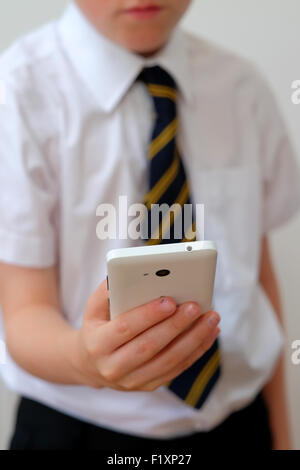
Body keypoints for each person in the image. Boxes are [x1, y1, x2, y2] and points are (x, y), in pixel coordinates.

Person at [0, 0, 299, 451]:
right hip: (79, 427)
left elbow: (260, 281)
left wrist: (282, 435)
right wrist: (84, 360)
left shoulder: (241, 87)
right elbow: (21, 311)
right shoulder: (18, 91)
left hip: (240, 421)